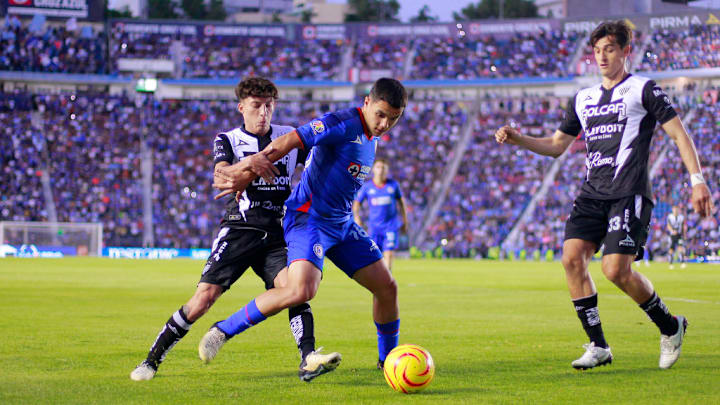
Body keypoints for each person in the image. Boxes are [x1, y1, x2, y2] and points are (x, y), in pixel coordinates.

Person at [494, 21, 714, 370]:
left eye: (609, 49)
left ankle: (671, 327)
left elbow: (679, 134)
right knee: (571, 259)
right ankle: (598, 346)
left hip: (629, 192)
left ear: (626, 51)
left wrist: (697, 180)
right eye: (596, 50)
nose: (601, 56)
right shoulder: (584, 98)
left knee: (615, 270)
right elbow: (556, 146)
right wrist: (519, 138)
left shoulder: (644, 89)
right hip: (592, 193)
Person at [130, 77, 340, 382]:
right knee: (203, 299)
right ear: (242, 107)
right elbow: (220, 176)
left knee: (295, 291)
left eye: (268, 106)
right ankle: (151, 361)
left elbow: (317, 167)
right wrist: (251, 164)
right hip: (240, 228)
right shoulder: (227, 139)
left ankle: (308, 357)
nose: (263, 113)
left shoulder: (289, 137)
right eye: (256, 106)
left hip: (278, 233)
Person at [202, 78, 407, 371]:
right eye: (381, 115)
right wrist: (249, 170)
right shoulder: (342, 123)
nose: (385, 124)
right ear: (367, 103)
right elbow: (291, 140)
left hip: (343, 223)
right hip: (309, 219)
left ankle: (389, 363)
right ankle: (222, 330)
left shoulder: (371, 135)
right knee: (301, 291)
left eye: (393, 119)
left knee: (387, 288)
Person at [353, 158, 408, 271]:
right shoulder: (368, 187)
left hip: (390, 226)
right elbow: (357, 203)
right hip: (374, 227)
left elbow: (401, 203)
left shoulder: (393, 185)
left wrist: (404, 220)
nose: (381, 170)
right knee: (375, 255)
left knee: (389, 253)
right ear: (373, 169)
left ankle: (387, 279)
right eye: (378, 167)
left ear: (387, 170)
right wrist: (357, 218)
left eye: (383, 168)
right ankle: (379, 279)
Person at [667, 205, 687, 269]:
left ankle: (682, 262)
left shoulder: (681, 217)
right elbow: (668, 225)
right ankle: (670, 263)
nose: (675, 210)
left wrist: (684, 234)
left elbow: (683, 226)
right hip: (672, 235)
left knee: (680, 247)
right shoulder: (670, 216)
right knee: (671, 249)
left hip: (679, 235)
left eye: (677, 209)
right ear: (672, 210)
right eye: (674, 209)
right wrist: (672, 231)